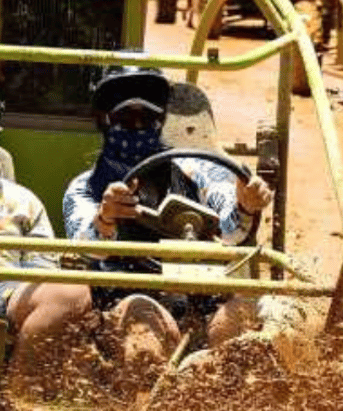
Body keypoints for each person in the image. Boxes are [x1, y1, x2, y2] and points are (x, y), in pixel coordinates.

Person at [63, 67, 273, 352]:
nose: (138, 127)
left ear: (160, 122)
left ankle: (219, 376)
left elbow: (230, 230)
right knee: (144, 335)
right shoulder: (85, 188)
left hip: (204, 300)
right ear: (104, 121)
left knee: (253, 318)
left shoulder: (196, 172)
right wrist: (106, 218)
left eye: (147, 118)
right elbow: (86, 245)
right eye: (126, 118)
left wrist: (245, 205)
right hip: (127, 302)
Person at [0, 178, 91, 366]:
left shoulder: (23, 201)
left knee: (68, 294)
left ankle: (21, 392)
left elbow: (40, 268)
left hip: (8, 289)